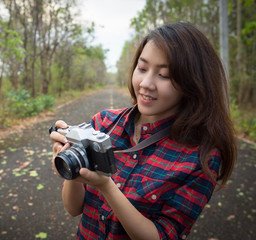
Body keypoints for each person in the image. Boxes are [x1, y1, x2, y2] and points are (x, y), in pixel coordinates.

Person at [49, 22, 237, 240]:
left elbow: (162, 236)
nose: (146, 84)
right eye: (142, 68)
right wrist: (72, 165)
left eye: (164, 75)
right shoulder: (104, 122)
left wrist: (106, 187)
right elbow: (73, 209)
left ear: (193, 83)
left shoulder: (201, 157)